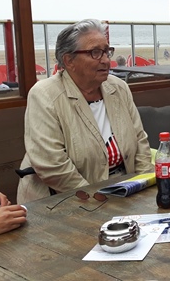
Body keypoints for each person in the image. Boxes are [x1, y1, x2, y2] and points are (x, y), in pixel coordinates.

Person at [17, 19, 154, 204]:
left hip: (123, 192)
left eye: (107, 51)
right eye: (95, 53)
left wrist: (144, 186)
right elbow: (53, 166)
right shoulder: (44, 95)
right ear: (69, 60)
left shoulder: (119, 88)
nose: (106, 60)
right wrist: (96, 199)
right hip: (62, 200)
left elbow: (140, 142)